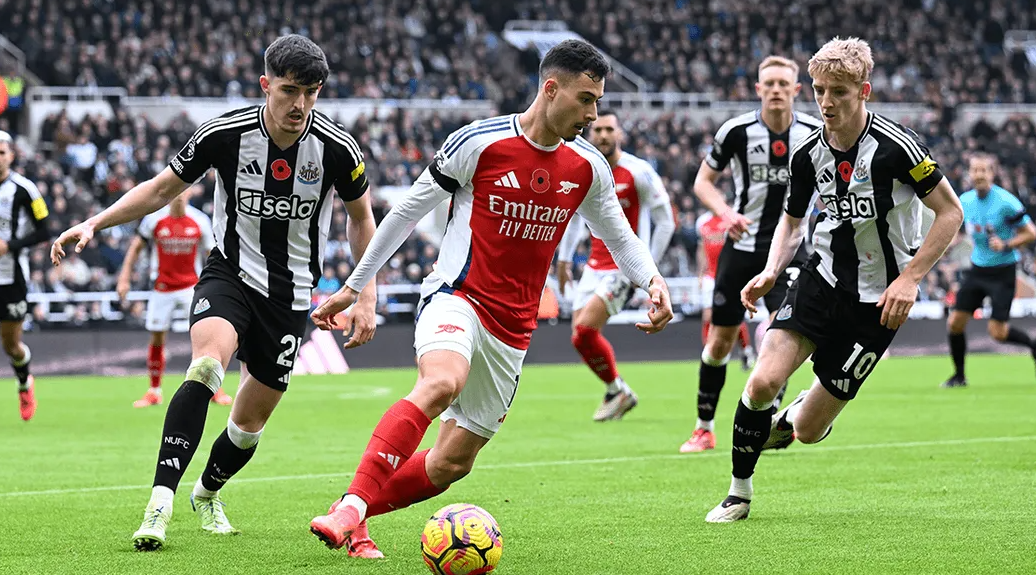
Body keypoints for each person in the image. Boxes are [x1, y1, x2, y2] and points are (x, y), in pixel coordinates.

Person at [306, 39, 673, 552]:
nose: (593, 115)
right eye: (586, 99)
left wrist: (652, 279)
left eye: (598, 102)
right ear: (551, 89)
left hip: (513, 328)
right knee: (442, 382)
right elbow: (406, 213)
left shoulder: (588, 166)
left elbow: (621, 238)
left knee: (451, 463)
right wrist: (353, 286)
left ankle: (357, 510)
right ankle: (350, 507)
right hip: (457, 297)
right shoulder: (479, 142)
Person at [51, 35, 380, 554]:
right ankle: (159, 503)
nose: (300, 105)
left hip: (291, 295)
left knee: (248, 426)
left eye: (311, 92)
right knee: (206, 367)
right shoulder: (224, 134)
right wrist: (95, 222)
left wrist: (365, 294)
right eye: (290, 91)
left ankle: (206, 493)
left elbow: (361, 220)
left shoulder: (338, 149)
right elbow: (161, 188)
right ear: (265, 85)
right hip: (230, 275)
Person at [704, 37, 964, 523]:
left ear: (863, 91)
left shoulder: (899, 148)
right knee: (762, 382)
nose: (826, 102)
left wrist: (910, 279)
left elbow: (950, 212)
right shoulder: (807, 154)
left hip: (880, 303)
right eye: (819, 90)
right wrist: (771, 271)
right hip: (820, 280)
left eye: (839, 92)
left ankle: (796, 415)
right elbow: (792, 222)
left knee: (806, 431)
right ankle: (739, 492)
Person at [681, 56, 824, 454]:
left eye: (783, 84)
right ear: (758, 89)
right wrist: (725, 213)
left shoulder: (815, 133)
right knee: (720, 342)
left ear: (796, 90)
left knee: (784, 332)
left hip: (791, 251)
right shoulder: (736, 131)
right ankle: (704, 428)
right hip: (742, 249)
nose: (776, 90)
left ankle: (767, 417)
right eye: (769, 84)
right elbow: (703, 181)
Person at [555, 110, 675, 421]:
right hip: (593, 266)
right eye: (598, 130)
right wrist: (564, 259)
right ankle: (617, 390)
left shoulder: (639, 171)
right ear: (590, 133)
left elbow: (666, 222)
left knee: (584, 332)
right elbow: (574, 218)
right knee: (579, 337)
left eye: (610, 129)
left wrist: (648, 272)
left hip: (623, 267)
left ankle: (617, 391)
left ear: (619, 133)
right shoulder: (585, 168)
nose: (604, 135)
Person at [116, 186, 232, 407]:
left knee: (206, 338)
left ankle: (215, 389)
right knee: (157, 337)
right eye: (176, 191)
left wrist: (218, 285)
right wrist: (124, 278)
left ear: (190, 193)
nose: (179, 196)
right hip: (162, 287)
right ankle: (154, 391)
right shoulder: (154, 220)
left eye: (183, 191)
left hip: (192, 288)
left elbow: (212, 255)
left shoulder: (199, 220)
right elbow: (135, 248)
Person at [944, 153, 1036, 388]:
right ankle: (959, 376)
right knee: (955, 323)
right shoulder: (965, 200)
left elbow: (1030, 233)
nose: (979, 175)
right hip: (977, 270)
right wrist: (948, 245)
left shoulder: (1006, 202)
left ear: (992, 174)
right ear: (969, 173)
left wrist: (1006, 244)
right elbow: (960, 232)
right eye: (975, 170)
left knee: (998, 333)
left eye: (983, 170)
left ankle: (1033, 345)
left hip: (1003, 272)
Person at [0, 130, 50, 421]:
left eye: (1, 153)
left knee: (11, 345)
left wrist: (10, 246)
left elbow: (44, 230)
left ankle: (24, 383)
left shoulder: (25, 189)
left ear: (11, 156)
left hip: (12, 276)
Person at [695, 210, 756, 372]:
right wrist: (700, 273)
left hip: (728, 274)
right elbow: (701, 249)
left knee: (731, 315)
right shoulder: (702, 222)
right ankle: (708, 355)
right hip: (710, 276)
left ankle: (746, 350)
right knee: (707, 316)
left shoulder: (732, 218)